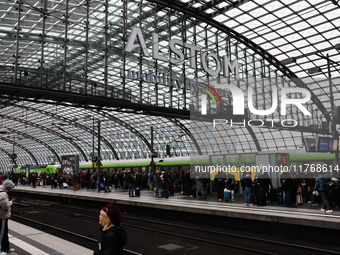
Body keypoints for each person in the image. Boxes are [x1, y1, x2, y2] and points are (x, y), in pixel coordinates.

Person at [0, 180, 15, 255]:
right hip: (2, 216)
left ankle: (6, 248)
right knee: (1, 233)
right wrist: (11, 202)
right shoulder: (3, 194)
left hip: (2, 216)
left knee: (5, 232)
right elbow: (4, 206)